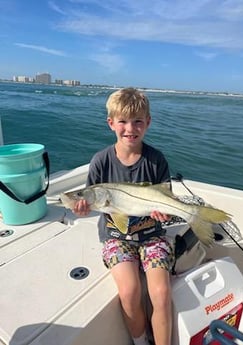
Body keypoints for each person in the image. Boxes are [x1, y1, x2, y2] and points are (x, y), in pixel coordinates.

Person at [73, 87, 174, 345]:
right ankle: (141, 342)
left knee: (161, 294)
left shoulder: (156, 160)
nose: (130, 128)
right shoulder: (100, 161)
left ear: (148, 123)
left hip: (153, 236)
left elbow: (166, 199)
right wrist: (82, 207)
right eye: (123, 121)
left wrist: (165, 212)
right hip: (116, 238)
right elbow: (91, 196)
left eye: (138, 121)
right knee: (129, 292)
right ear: (111, 123)